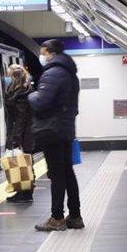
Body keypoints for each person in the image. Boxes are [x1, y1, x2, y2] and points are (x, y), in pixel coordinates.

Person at [29, 39, 83, 231]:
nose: (42, 57)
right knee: (68, 173)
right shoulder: (69, 73)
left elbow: (41, 102)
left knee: (57, 175)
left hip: (52, 130)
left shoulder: (53, 73)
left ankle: (57, 217)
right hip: (65, 129)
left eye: (43, 53)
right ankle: (75, 216)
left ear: (50, 53)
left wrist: (30, 94)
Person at [2, 64, 35, 204]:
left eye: (8, 76)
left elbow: (21, 118)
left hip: (23, 134)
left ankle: (26, 192)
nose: (6, 79)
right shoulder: (20, 91)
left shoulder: (21, 93)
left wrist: (16, 139)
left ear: (14, 78)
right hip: (22, 133)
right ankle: (21, 190)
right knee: (22, 162)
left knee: (24, 163)